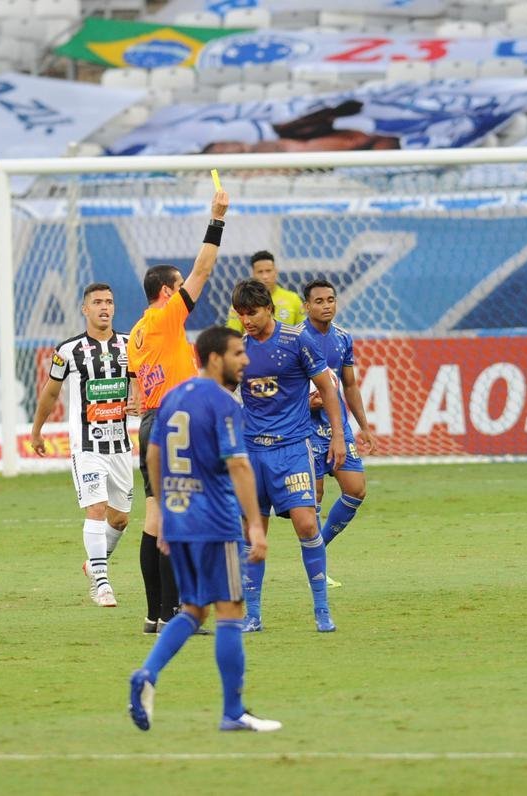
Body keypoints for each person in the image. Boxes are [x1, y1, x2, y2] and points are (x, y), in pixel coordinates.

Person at [128, 326, 280, 733]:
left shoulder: (174, 397)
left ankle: (147, 673)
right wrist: (256, 527)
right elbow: (239, 465)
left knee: (194, 610)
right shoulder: (223, 404)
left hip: (178, 521)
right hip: (214, 522)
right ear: (216, 358)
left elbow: (154, 453)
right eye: (237, 353)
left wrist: (161, 510)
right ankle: (233, 712)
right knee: (231, 610)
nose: (245, 360)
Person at [128, 189, 229, 634]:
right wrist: (217, 219)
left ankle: (155, 614)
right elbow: (204, 269)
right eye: (178, 286)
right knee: (178, 516)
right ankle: (173, 612)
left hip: (149, 421)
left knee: (155, 515)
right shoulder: (167, 317)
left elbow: (137, 381)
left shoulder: (136, 332)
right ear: (167, 291)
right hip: (170, 422)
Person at [231, 279, 346, 633]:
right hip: (252, 452)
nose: (247, 320)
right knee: (253, 533)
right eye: (241, 314)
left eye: (253, 313)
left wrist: (338, 437)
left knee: (308, 524)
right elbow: (222, 392)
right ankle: (252, 614)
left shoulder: (297, 340)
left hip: (293, 448)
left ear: (268, 307)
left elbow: (327, 387)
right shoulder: (238, 348)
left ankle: (322, 609)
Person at [30, 283, 135, 608]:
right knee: (96, 508)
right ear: (84, 309)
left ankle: (94, 562)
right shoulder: (68, 351)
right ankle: (101, 583)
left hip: (120, 447)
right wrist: (37, 431)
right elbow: (50, 392)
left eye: (109, 301)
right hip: (86, 446)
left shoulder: (131, 344)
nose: (105, 307)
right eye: (98, 302)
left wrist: (138, 400)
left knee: (119, 519)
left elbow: (144, 382)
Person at [301, 279, 376, 581]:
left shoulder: (343, 338)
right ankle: (316, 568)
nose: (326, 305)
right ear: (306, 306)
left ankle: (318, 551)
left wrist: (364, 427)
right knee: (314, 496)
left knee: (356, 490)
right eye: (319, 301)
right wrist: (307, 404)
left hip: (337, 426)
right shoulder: (297, 339)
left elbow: (350, 384)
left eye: (330, 299)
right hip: (305, 426)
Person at [225, 251, 304, 333]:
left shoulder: (293, 299)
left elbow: (303, 331)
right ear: (253, 274)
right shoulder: (241, 302)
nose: (265, 276)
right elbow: (233, 336)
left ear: (275, 272)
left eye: (268, 271)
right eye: (260, 272)